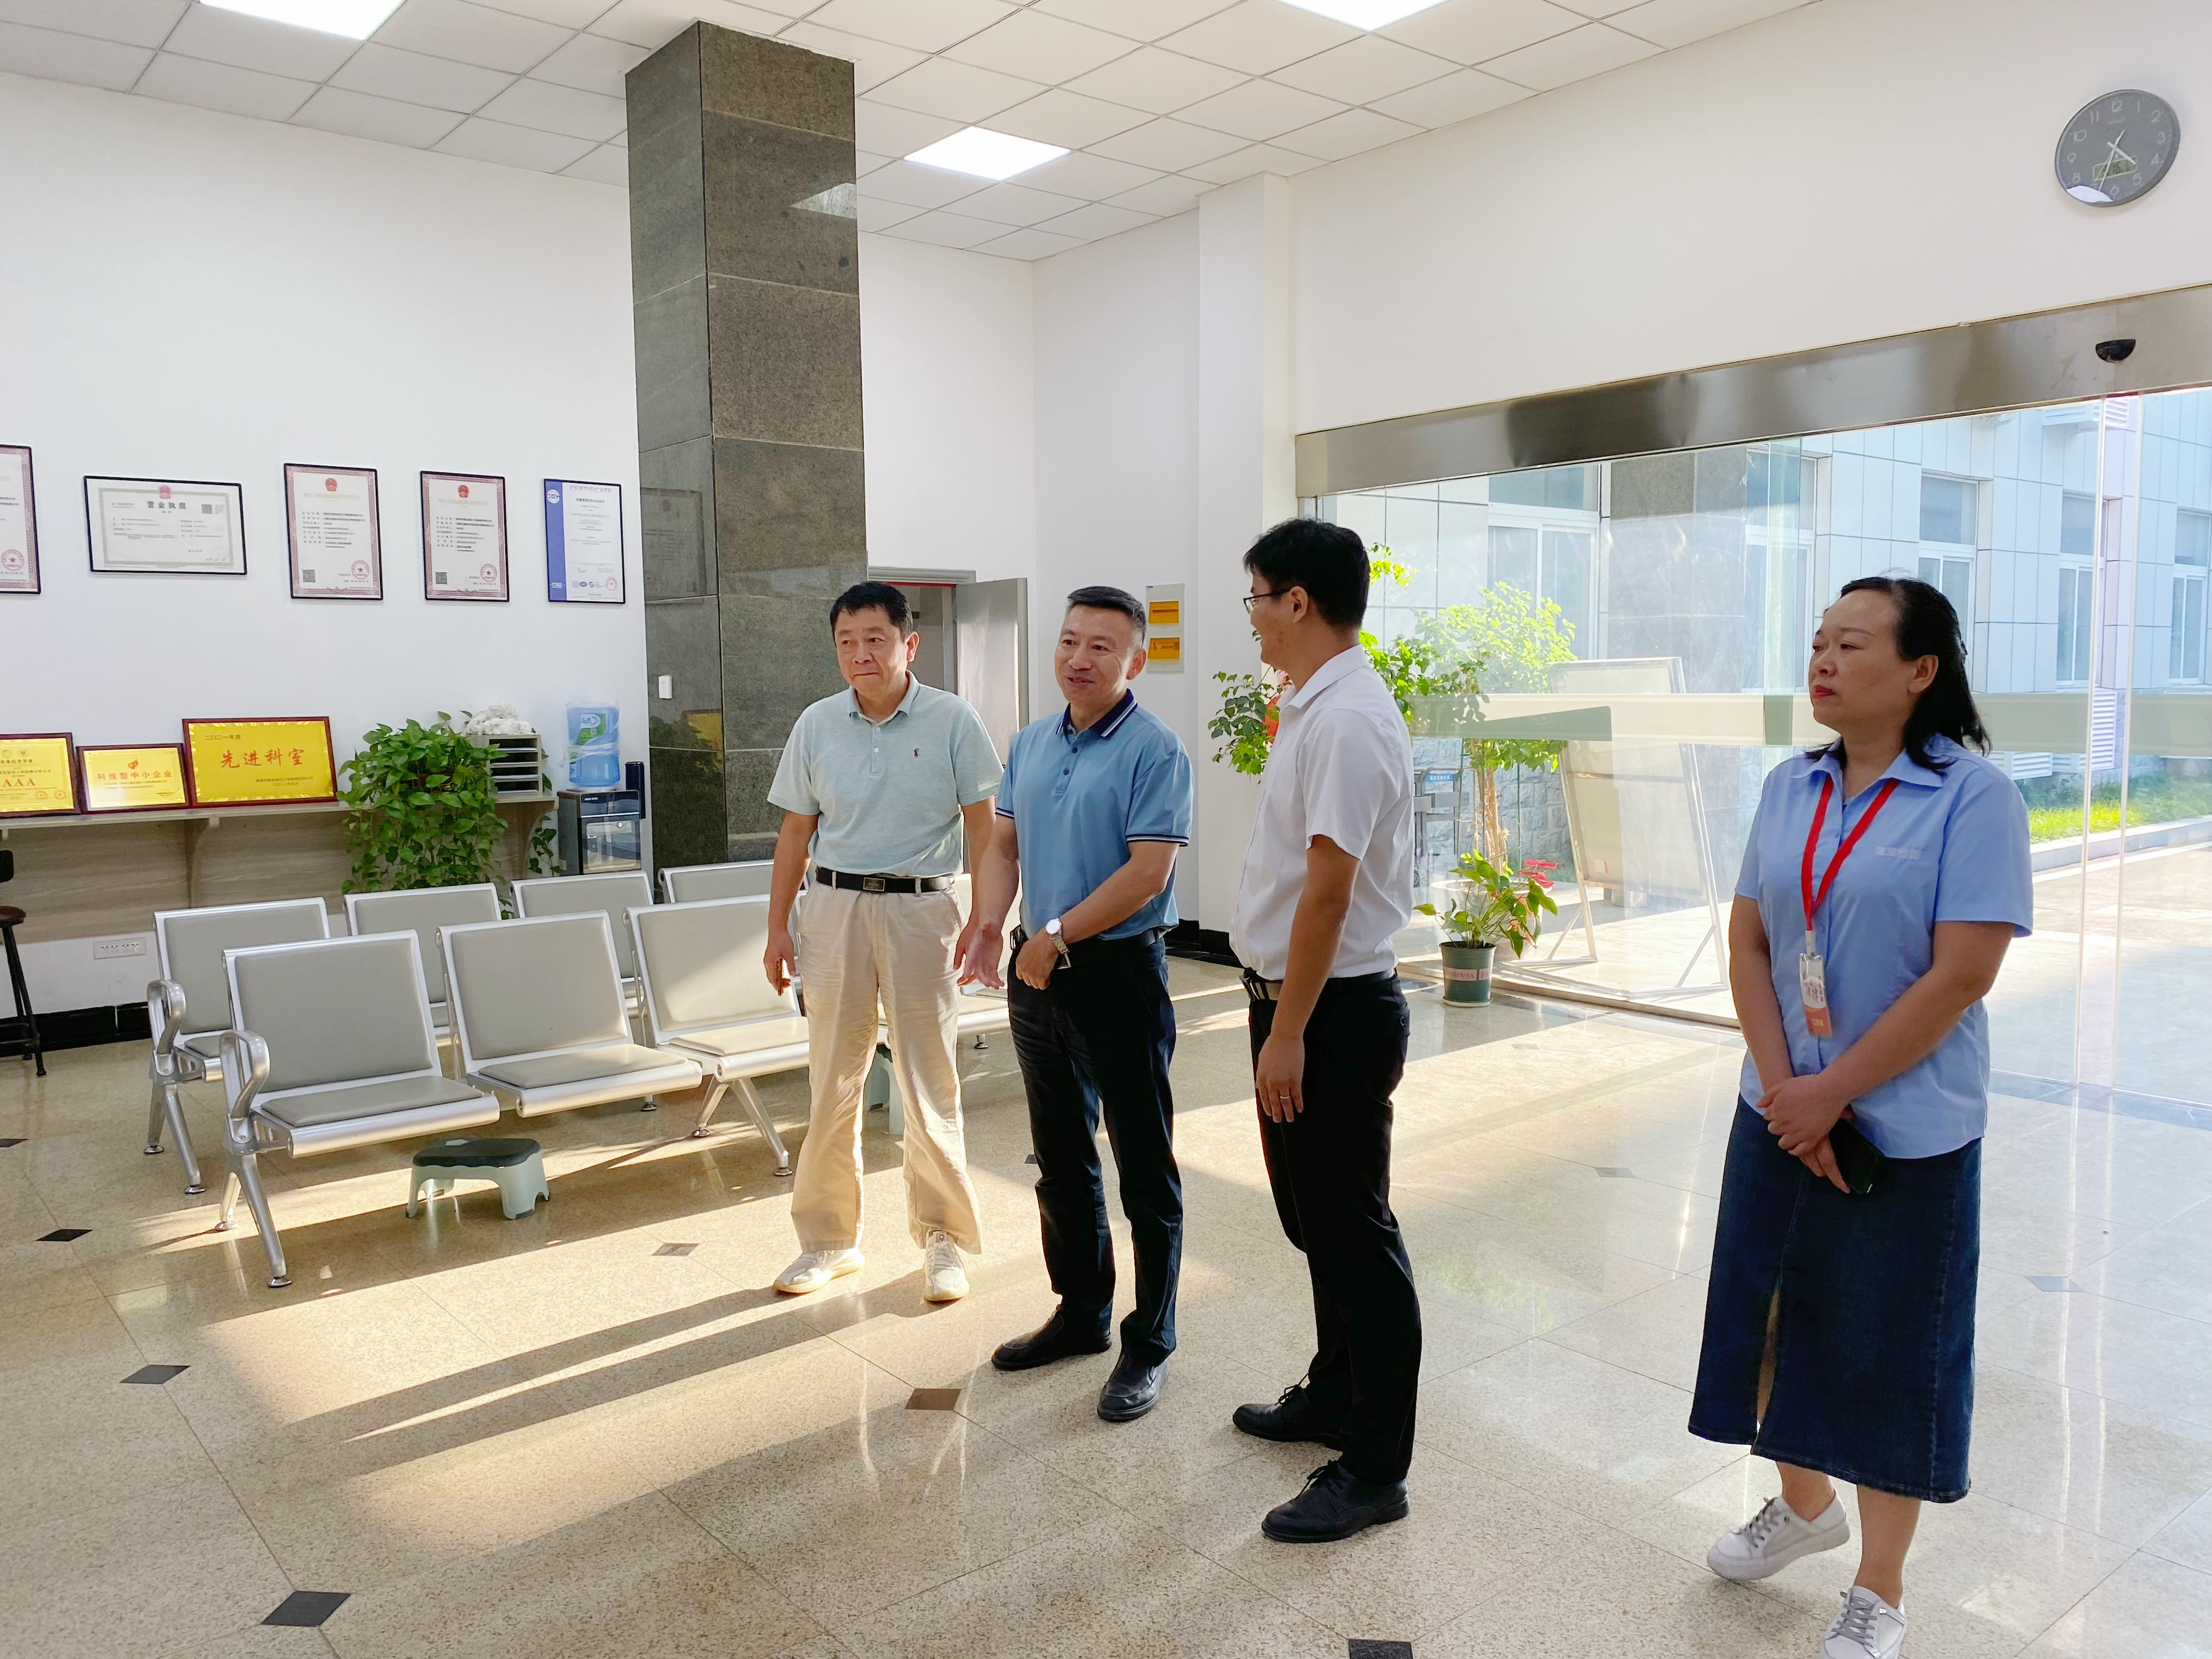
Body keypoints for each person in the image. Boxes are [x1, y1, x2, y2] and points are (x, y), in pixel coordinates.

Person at [1690, 577, 2032, 1659]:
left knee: (1889, 1356)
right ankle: (1804, 1506)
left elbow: (1962, 973)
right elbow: (1750, 942)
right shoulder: (1789, 785)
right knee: (1763, 1324)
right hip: (1779, 1109)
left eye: (1852, 644)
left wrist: (1833, 1091)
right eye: (1817, 643)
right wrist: (1786, 1087)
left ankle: (1880, 1590)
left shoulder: (1974, 798)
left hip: (1905, 1132)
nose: (1824, 661)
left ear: (1922, 671)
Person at [1223, 518, 1422, 1544]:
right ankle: (1336, 1394)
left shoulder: (1346, 720)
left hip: (1331, 1011)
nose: (1253, 618)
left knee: (1355, 1238)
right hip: (1300, 1002)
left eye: (1256, 598)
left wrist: (1289, 1031)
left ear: (1296, 601)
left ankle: (1376, 1469)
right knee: (1319, 1227)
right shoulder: (1314, 703)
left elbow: (1330, 894)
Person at [961, 586, 1194, 1424]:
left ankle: (1150, 1343)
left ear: (1135, 660)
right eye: (1068, 641)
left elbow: (1148, 873)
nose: (1079, 658)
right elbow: (1004, 845)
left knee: (1144, 1166)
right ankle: (1083, 1311)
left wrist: (1056, 933)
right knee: (1060, 1155)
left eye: (1101, 646)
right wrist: (990, 923)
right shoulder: (1030, 742)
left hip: (1117, 972)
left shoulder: (1155, 749)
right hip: (1038, 973)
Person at [763, 582, 1003, 1305]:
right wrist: (777, 927)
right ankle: (828, 1241)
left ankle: (943, 1239)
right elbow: (795, 832)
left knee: (929, 1078)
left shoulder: (954, 720)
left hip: (922, 910)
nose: (860, 653)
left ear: (909, 644)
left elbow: (985, 827)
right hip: (833, 910)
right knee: (832, 1078)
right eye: (846, 642)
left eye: (875, 639)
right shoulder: (816, 724)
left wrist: (984, 919)